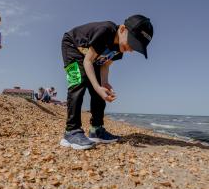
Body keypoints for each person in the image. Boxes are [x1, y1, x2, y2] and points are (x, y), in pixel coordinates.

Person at [60, 14, 154, 150]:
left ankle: (96, 129)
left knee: (99, 91)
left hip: (91, 57)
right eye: (132, 43)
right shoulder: (105, 31)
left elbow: (105, 64)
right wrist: (97, 87)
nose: (131, 49)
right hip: (73, 46)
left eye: (136, 47)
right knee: (78, 83)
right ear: (122, 29)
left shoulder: (120, 48)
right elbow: (88, 61)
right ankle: (71, 131)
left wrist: (103, 83)